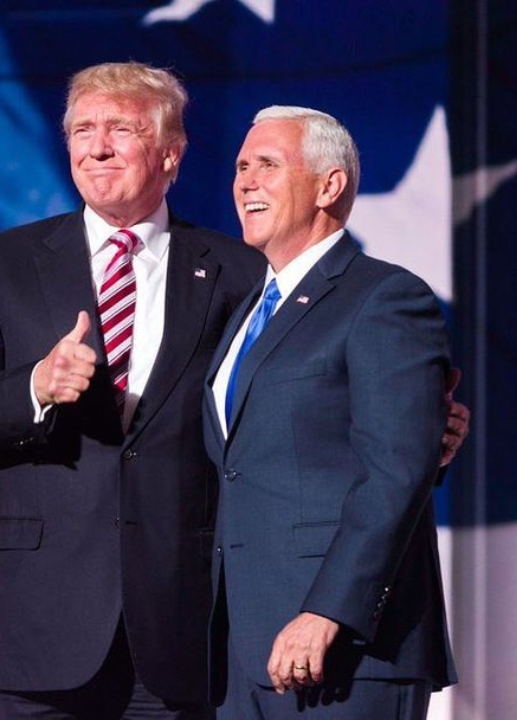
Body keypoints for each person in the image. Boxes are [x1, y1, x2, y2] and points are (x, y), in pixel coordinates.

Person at [0, 63, 468, 720]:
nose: (96, 146)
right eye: (82, 129)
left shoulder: (244, 272)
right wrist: (36, 386)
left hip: (188, 634)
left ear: (171, 155)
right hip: (37, 631)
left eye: (120, 129)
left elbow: (305, 416)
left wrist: (416, 435)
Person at [205, 106, 453, 719]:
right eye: (240, 167)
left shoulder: (385, 298)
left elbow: (396, 470)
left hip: (345, 649)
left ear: (329, 184)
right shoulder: (246, 313)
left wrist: (327, 612)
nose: (245, 182)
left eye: (267, 164)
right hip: (244, 649)